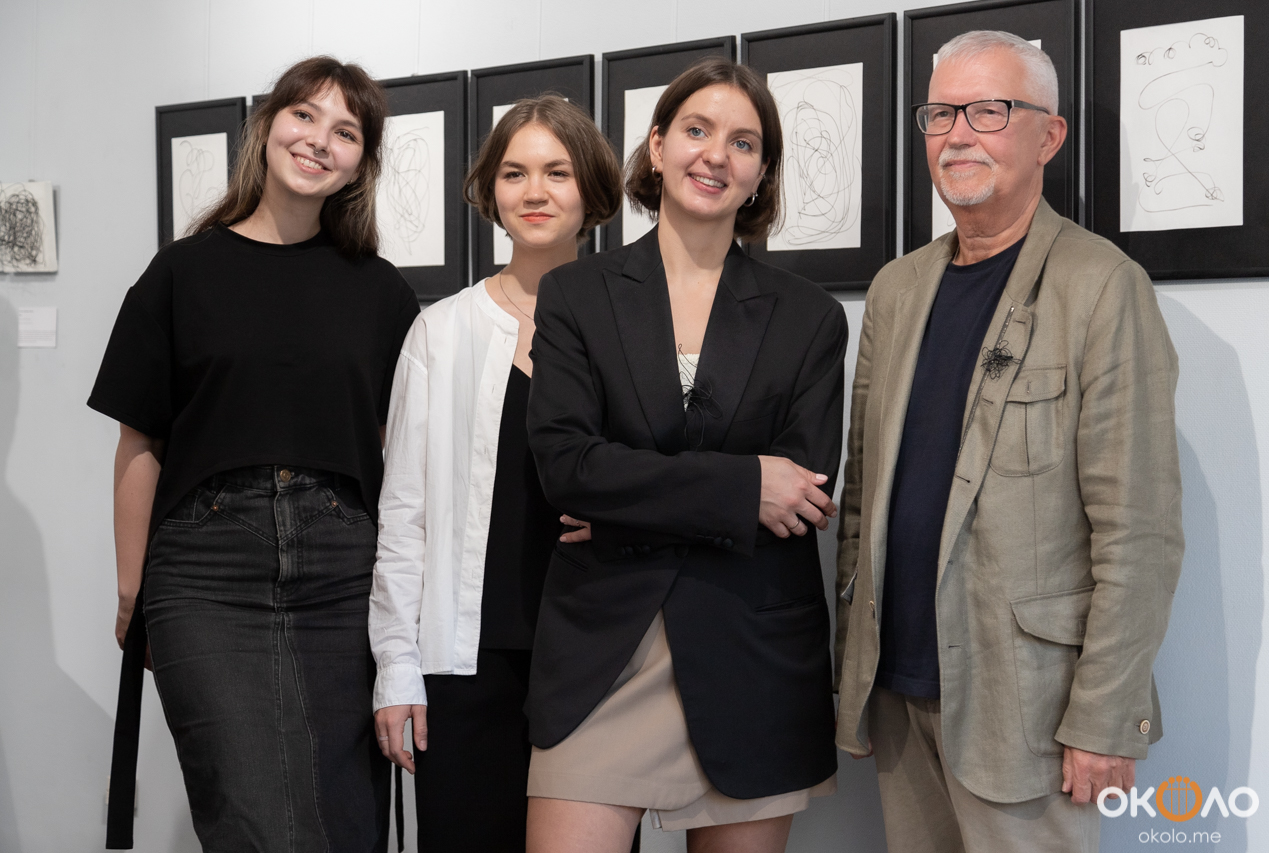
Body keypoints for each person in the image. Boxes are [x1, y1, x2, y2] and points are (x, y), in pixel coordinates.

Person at [834, 31, 1183, 853]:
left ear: (1048, 136)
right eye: (941, 114)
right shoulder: (896, 288)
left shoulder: (1102, 286)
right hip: (898, 692)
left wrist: (1105, 715)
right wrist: (852, 670)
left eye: (988, 111)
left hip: (1029, 709)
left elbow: (1140, 530)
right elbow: (861, 501)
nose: (958, 135)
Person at [89, 56, 421, 852]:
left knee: (343, 818)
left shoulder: (382, 293)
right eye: (304, 115)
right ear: (267, 126)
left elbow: (403, 459)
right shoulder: (181, 273)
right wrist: (133, 587)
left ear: (360, 164)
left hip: (344, 571)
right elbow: (140, 441)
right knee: (248, 815)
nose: (319, 140)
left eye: (346, 131)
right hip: (204, 569)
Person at [523, 56, 848, 853]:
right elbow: (566, 466)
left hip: (753, 654)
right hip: (604, 650)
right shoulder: (576, 295)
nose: (716, 155)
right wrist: (741, 487)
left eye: (744, 142)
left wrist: (624, 507)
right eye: (697, 130)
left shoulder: (810, 317)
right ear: (659, 144)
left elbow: (799, 495)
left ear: (762, 172)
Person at [368, 95, 622, 852]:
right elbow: (403, 515)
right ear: (491, 190)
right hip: (464, 665)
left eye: (557, 172)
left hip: (598, 657)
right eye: (514, 173)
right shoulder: (439, 331)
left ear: (592, 191)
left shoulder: (631, 331)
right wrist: (396, 667)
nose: (534, 191)